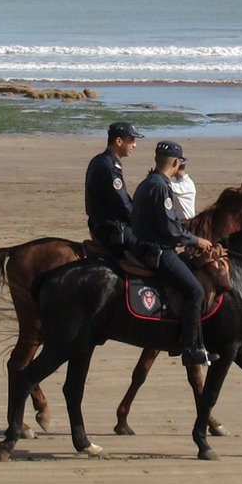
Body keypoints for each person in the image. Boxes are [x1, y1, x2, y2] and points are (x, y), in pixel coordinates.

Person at [129, 140, 216, 366]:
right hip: (157, 251)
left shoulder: (146, 183)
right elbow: (170, 229)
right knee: (195, 290)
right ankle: (190, 348)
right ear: (176, 163)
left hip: (143, 245)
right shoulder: (161, 186)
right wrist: (197, 240)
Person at [85, 121, 142, 254]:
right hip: (111, 228)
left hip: (99, 224)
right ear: (118, 141)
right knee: (152, 251)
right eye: (131, 140)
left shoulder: (99, 160)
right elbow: (122, 204)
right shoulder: (110, 167)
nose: (135, 145)